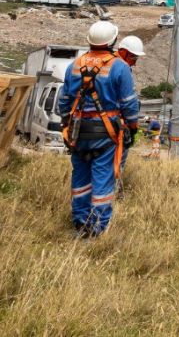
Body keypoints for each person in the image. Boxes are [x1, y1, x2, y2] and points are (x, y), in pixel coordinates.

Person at [58, 21, 139, 237]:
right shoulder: (119, 67)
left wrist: (65, 124)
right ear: (113, 41)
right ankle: (96, 228)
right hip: (105, 133)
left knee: (80, 177)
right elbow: (129, 103)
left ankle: (79, 222)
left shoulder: (75, 64)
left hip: (78, 131)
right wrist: (133, 127)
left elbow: (64, 100)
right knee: (102, 179)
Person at [113, 35, 146, 174]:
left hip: (93, 124)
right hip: (115, 125)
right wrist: (133, 127)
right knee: (116, 166)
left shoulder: (106, 63)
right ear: (124, 52)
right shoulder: (122, 68)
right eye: (134, 58)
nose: (134, 63)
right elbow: (128, 102)